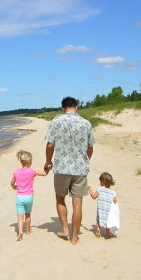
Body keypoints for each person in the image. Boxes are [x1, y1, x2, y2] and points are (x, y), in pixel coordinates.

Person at [44, 96, 95, 245]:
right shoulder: (86, 123)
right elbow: (90, 148)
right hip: (80, 169)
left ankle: (65, 228)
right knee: (77, 203)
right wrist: (85, 160)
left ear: (63, 108)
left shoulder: (56, 121)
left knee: (60, 198)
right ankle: (74, 237)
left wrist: (48, 161)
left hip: (61, 168)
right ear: (76, 107)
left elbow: (50, 145)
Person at [11, 149, 49, 241]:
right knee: (28, 214)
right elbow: (44, 173)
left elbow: (12, 183)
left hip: (20, 196)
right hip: (29, 196)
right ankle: (28, 230)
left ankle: (20, 231)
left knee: (20, 215)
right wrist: (48, 168)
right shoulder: (32, 171)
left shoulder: (16, 172)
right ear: (29, 162)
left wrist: (15, 187)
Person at [87, 172, 118, 239]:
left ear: (103, 182)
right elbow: (115, 200)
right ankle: (107, 234)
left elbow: (93, 196)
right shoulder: (113, 192)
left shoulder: (99, 189)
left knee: (98, 220)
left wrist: (89, 189)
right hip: (108, 210)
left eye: (100, 181)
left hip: (100, 209)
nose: (100, 183)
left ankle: (98, 229)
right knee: (108, 222)